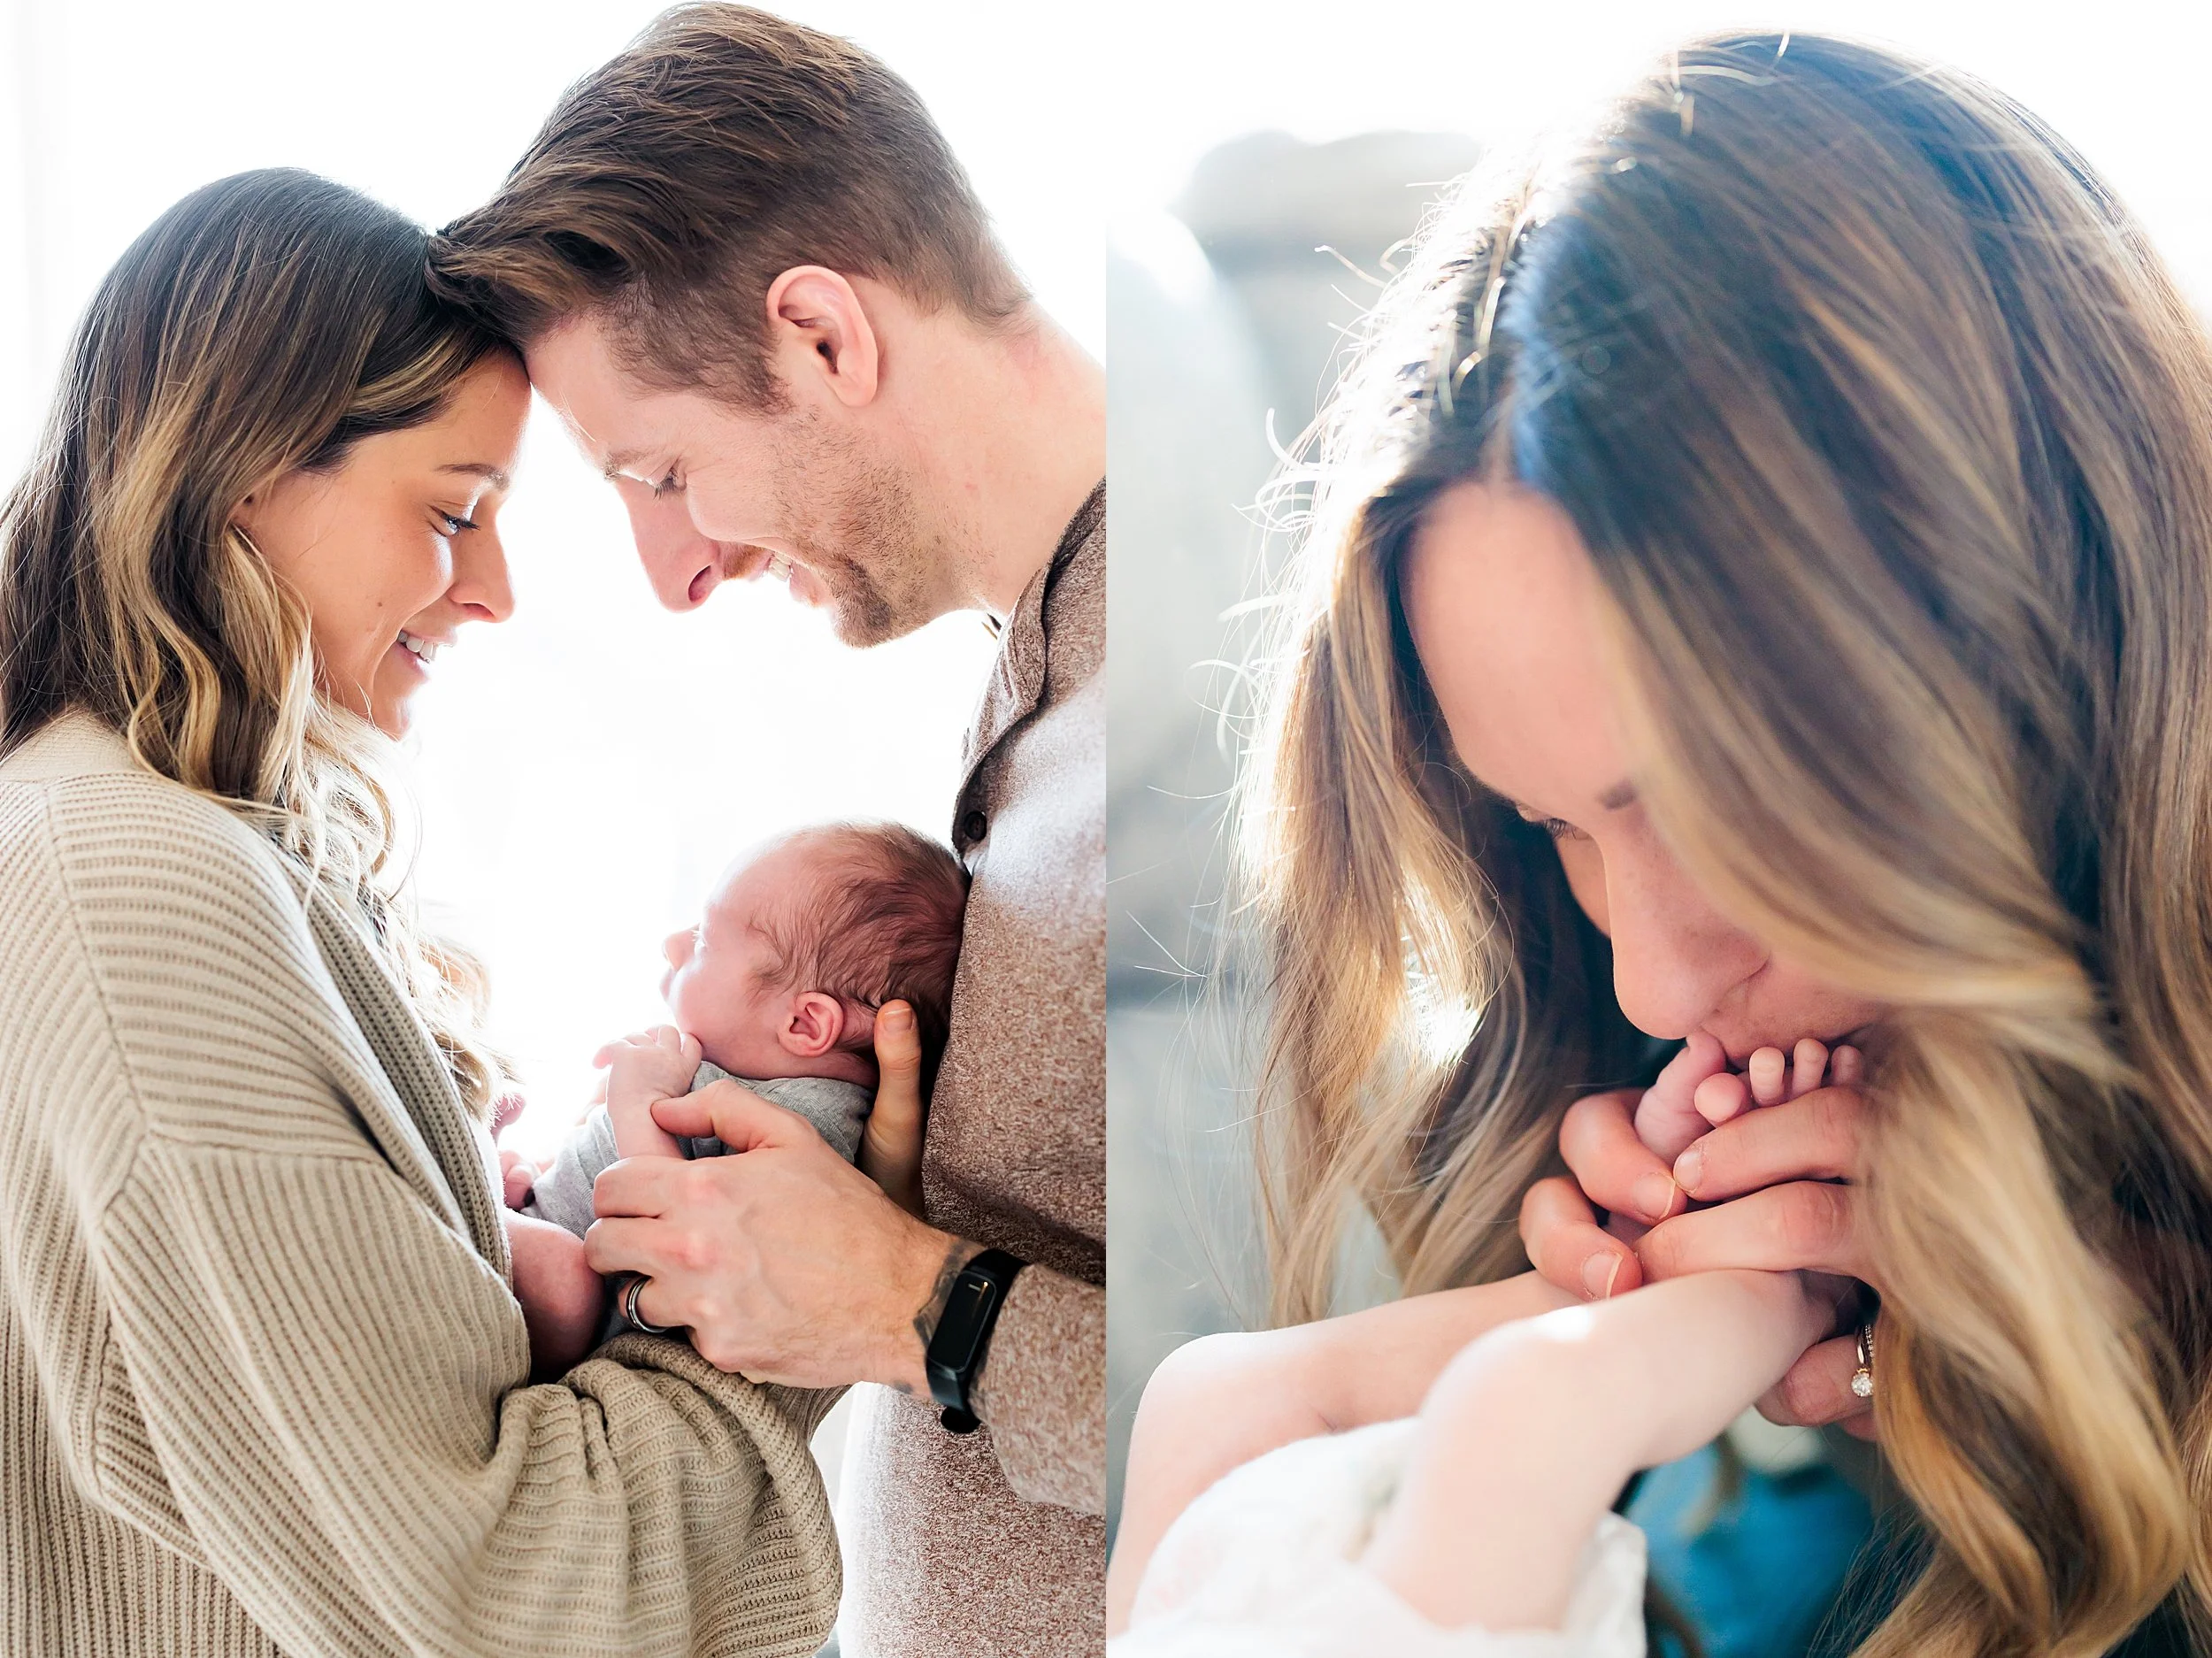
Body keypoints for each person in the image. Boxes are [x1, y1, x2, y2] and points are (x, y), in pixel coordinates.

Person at [1201, 30, 2212, 1658]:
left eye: (1718, 805)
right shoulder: (1605, 1110)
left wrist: (2126, 1369)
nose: (1658, 979)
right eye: (1553, 827)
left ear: (2035, 663)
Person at [0, 166, 951, 1654]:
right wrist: (787, 1293)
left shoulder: (129, 833)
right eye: (455, 510)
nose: (496, 591)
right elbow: (509, 1595)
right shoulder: (140, 887)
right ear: (244, 470)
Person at [430, 8, 1107, 1653]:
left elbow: (1375, 1363)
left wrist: (918, 1304)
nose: (678, 572)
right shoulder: (1038, 683)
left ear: (818, 335)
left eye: (661, 470)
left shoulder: (1236, 690)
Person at [510, 821, 968, 1373]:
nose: (674, 944)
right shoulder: (739, 1075)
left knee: (558, 1275)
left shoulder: (806, 1125)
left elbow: (694, 1244)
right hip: (541, 1228)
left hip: (576, 1311)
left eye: (703, 939)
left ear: (803, 1023)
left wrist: (637, 1107)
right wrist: (544, 1174)